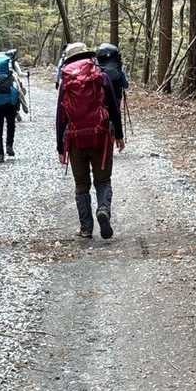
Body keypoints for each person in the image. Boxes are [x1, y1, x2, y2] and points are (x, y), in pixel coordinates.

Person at [55, 42, 124, 241]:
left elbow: (60, 116)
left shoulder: (66, 81)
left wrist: (60, 146)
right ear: (88, 56)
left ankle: (86, 228)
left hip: (75, 139)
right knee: (103, 180)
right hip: (101, 136)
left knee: (81, 184)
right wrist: (119, 135)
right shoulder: (101, 76)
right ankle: (103, 209)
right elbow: (114, 108)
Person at [95, 43, 129, 108]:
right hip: (116, 100)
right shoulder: (119, 68)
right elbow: (126, 85)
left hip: (102, 102)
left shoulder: (97, 68)